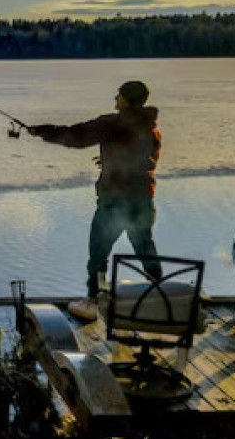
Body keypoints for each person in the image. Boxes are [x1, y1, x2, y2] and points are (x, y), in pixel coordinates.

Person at [27, 80, 162, 319]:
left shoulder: (113, 123)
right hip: (142, 199)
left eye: (119, 96)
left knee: (99, 253)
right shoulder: (150, 128)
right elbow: (140, 158)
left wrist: (41, 131)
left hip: (115, 202)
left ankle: (93, 300)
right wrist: (110, 161)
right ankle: (159, 295)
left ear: (128, 100)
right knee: (145, 248)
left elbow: (75, 136)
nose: (115, 100)